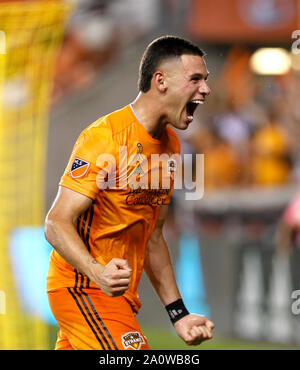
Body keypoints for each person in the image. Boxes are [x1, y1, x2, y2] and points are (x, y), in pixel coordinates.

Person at [45, 35, 214, 350]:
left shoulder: (171, 145)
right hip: (83, 287)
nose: (205, 89)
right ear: (160, 81)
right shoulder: (105, 137)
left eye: (205, 80)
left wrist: (178, 314)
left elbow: (154, 237)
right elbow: (56, 222)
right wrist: (97, 272)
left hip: (120, 296)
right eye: (195, 79)